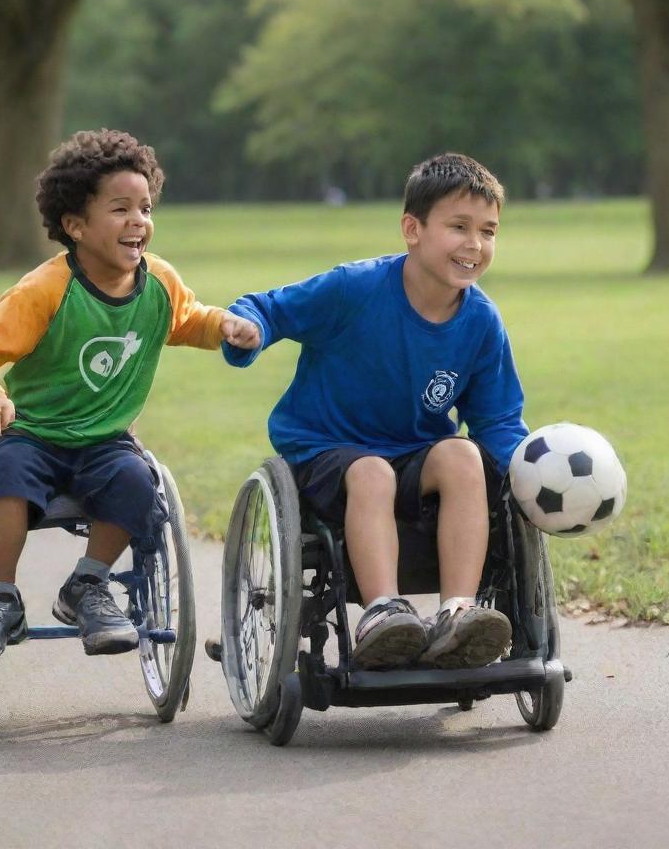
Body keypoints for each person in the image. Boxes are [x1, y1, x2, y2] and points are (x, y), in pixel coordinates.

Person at [0, 128, 259, 667]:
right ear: (75, 225)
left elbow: (188, 319)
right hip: (33, 433)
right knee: (5, 474)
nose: (138, 220)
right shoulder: (46, 289)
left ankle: (88, 585)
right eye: (120, 209)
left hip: (105, 440)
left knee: (139, 482)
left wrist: (227, 325)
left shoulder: (158, 281)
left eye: (144, 206)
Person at [222, 153, 528, 670]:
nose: (475, 245)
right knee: (370, 473)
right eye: (459, 227)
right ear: (413, 228)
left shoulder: (480, 320)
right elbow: (267, 308)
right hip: (325, 450)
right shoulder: (354, 288)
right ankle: (383, 614)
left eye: (489, 231)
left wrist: (525, 470)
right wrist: (247, 331)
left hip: (412, 453)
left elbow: (496, 419)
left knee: (463, 457)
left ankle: (458, 612)